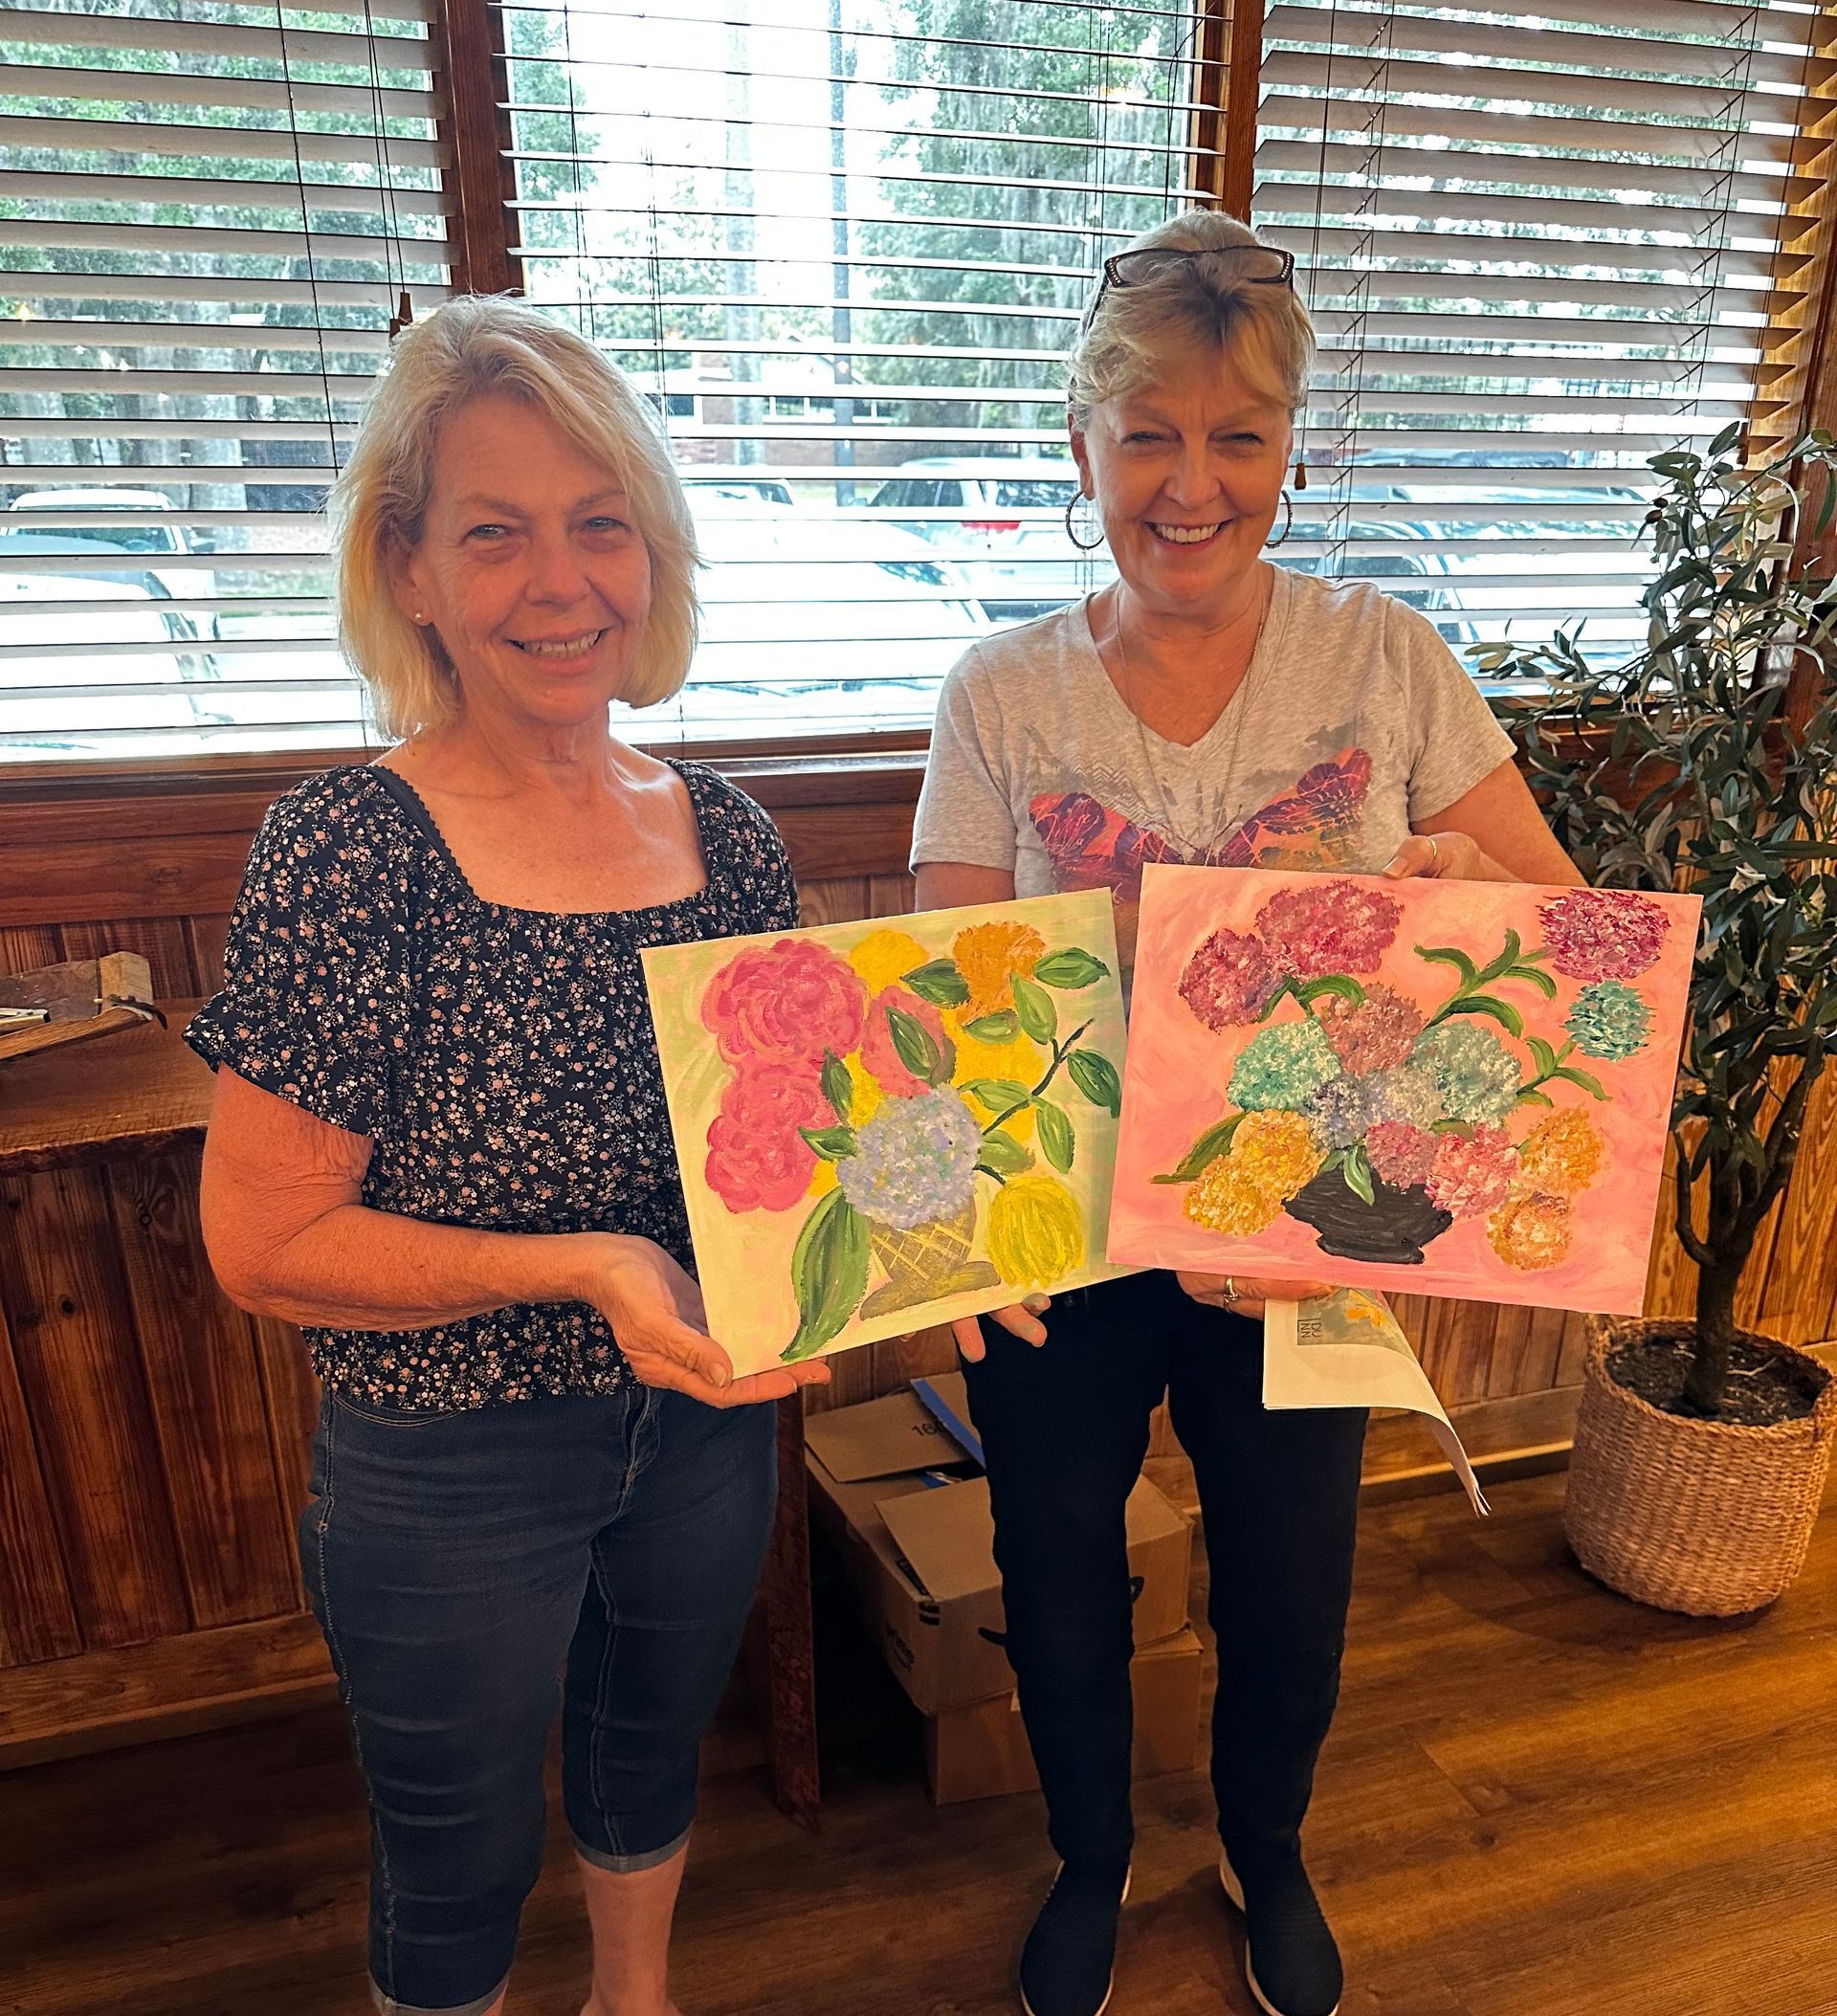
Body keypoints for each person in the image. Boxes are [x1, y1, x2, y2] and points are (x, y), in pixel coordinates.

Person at [912, 210, 1582, 2016]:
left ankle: (1265, 1845)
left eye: (1237, 437)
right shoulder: (1000, 691)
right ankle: (1088, 1855)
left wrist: (1458, 885)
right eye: (1149, 435)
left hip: (1314, 1225)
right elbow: (943, 986)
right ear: (1084, 447)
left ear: (1293, 450)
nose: (1190, 484)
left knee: (1292, 1568)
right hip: (1067, 1229)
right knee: (1055, 1558)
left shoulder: (1387, 661)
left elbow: (1562, 930)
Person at [189, 296, 830, 2016]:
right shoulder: (350, 851)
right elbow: (261, 1242)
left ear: (653, 548)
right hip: (444, 1460)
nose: (563, 583)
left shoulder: (733, 841)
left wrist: (915, 1262)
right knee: (456, 1840)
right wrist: (584, 1263)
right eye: (497, 533)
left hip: (699, 1422)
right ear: (410, 573)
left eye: (599, 521)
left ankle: (638, 2001)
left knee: (649, 1754)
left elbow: (783, 1157)